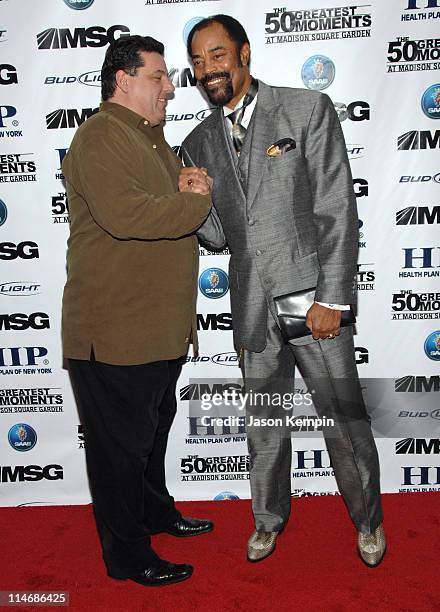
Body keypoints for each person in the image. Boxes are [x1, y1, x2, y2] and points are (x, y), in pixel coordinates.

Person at [182, 15, 386, 567]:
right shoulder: (197, 140)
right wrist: (195, 200)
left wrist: (333, 299)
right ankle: (268, 521)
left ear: (245, 53)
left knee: (344, 422)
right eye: (198, 62)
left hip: (311, 298)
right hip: (251, 306)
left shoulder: (305, 108)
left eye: (218, 56)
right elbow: (220, 238)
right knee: (265, 428)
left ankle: (368, 521)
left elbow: (337, 207)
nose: (208, 71)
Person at [62, 35, 215, 587]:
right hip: (116, 330)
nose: (173, 87)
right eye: (159, 76)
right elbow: (129, 216)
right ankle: (127, 557)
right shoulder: (102, 136)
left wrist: (184, 185)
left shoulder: (151, 139)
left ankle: (155, 513)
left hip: (155, 329)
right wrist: (194, 199)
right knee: (121, 451)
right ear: (123, 80)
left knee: (151, 435)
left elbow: (162, 203)